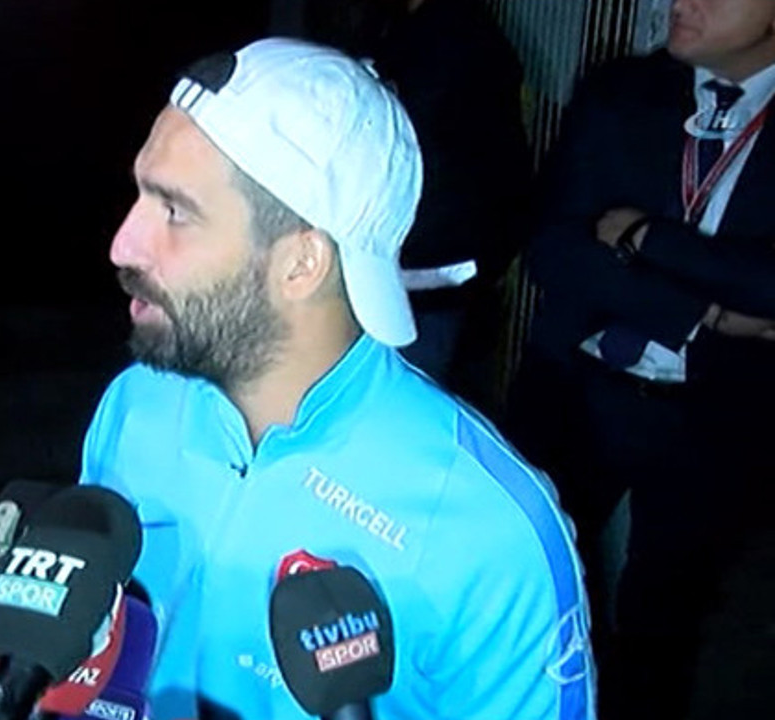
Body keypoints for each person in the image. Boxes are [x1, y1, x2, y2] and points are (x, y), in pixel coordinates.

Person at [80, 38, 593, 720]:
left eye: (175, 211)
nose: (123, 245)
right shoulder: (136, 401)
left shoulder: (489, 531)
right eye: (141, 195)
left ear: (302, 264)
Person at [507, 0, 775, 717]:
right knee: (529, 583)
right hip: (575, 388)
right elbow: (555, 249)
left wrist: (647, 237)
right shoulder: (623, 90)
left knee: (664, 625)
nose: (681, 2)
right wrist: (704, 310)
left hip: (714, 417)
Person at [274, 0, 532, 409]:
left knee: (391, 408)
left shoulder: (457, 45)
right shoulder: (395, 29)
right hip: (393, 275)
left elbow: (471, 183)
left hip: (422, 284)